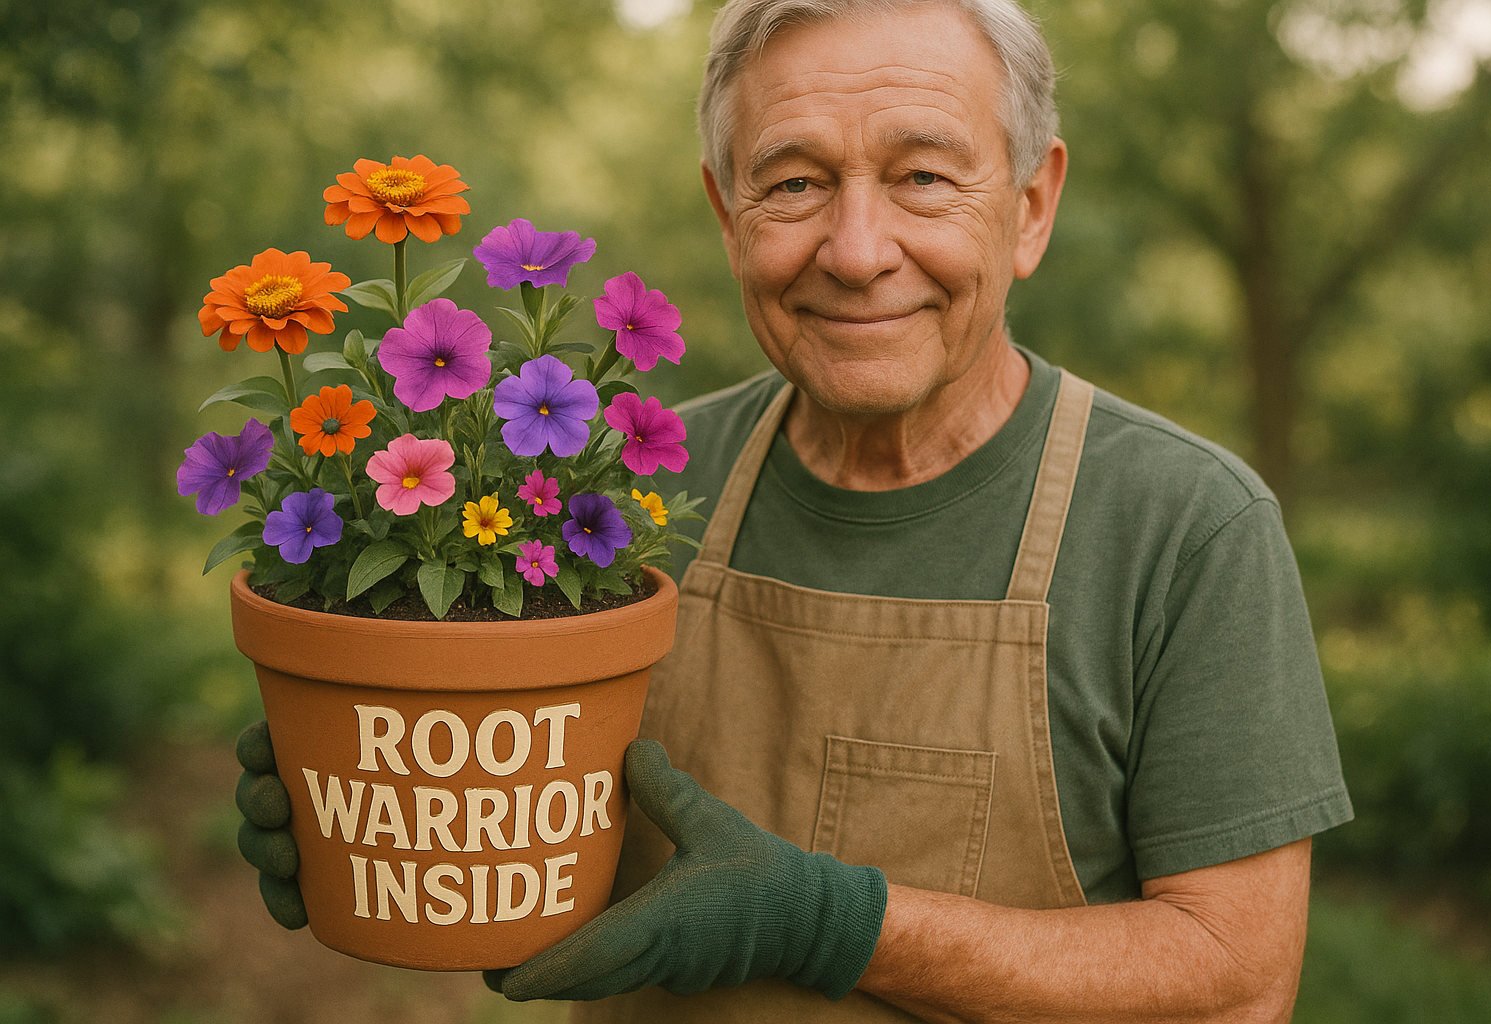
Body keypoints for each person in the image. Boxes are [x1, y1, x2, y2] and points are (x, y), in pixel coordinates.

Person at [237, 1, 1352, 1020]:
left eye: (922, 177)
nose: (858, 253)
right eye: (795, 183)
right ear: (729, 213)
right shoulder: (620, 494)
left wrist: (830, 919)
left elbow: (1235, 983)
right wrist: (390, 797)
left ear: (1030, 204)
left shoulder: (1185, 530)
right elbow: (523, 833)